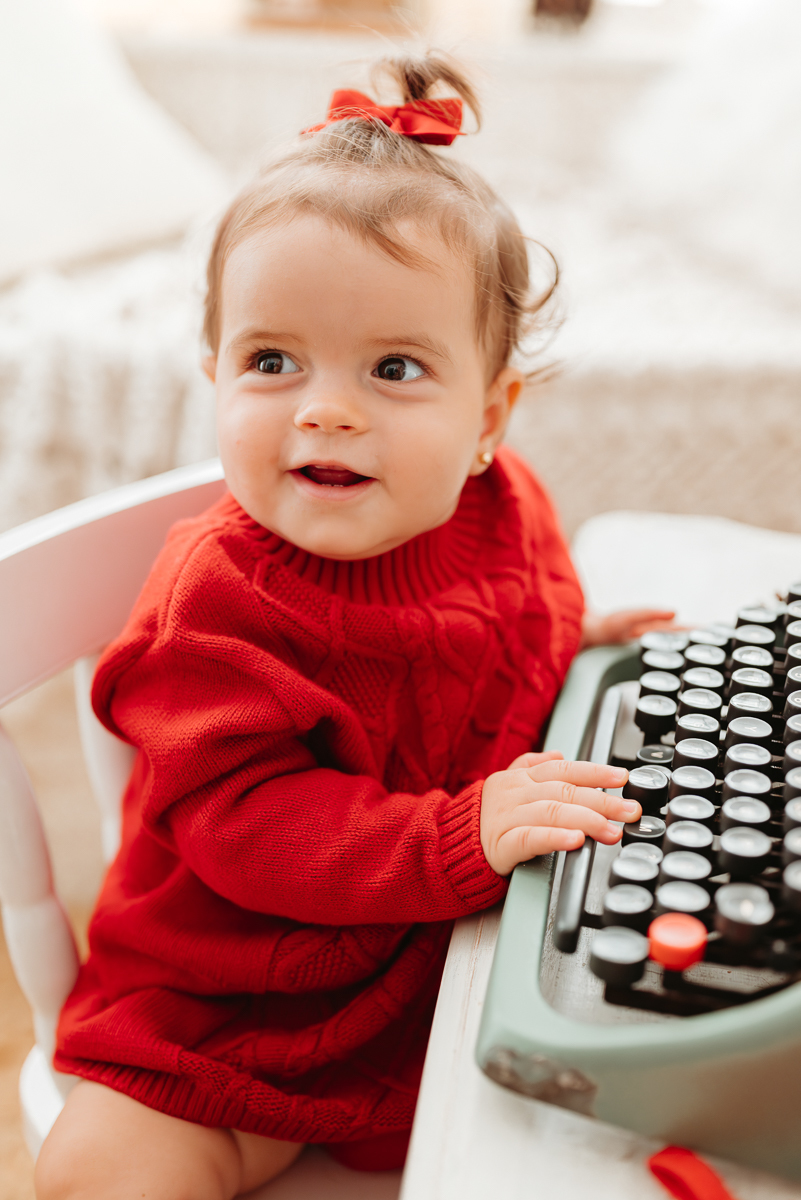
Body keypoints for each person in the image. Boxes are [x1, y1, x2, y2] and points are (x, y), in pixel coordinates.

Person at [36, 52, 675, 1200]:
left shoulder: (503, 507)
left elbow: (497, 643)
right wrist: (458, 838)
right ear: (212, 374)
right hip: (222, 1013)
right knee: (100, 1169)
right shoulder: (212, 603)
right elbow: (250, 823)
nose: (326, 406)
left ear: (489, 417)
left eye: (393, 368)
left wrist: (570, 658)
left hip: (433, 984)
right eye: (271, 362)